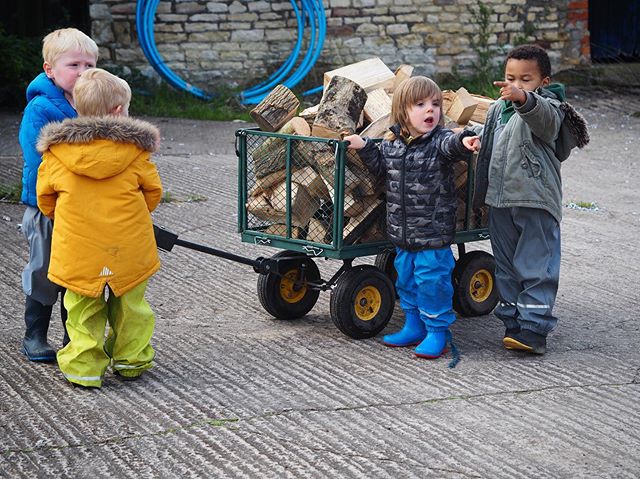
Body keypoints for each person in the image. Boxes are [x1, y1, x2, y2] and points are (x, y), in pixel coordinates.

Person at [36, 68, 163, 388]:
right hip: (128, 248)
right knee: (131, 307)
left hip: (77, 249)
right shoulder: (136, 152)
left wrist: (66, 217)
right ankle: (131, 360)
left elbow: (45, 199)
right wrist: (132, 216)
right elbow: (153, 193)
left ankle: (84, 368)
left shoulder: (57, 152)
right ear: (119, 111)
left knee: (82, 309)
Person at [344, 76, 479, 359]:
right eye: (420, 104)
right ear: (403, 111)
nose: (430, 110)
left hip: (432, 235)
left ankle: (437, 331)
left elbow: (452, 143)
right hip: (402, 234)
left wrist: (465, 141)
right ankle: (414, 324)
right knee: (405, 280)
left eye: (435, 104)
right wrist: (364, 145)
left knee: (433, 283)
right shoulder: (393, 144)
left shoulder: (439, 141)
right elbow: (381, 168)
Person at [468, 44, 589, 355]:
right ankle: (512, 322)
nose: (516, 85)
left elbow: (543, 119)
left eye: (526, 79)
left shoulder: (550, 107)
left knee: (536, 266)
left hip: (535, 200)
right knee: (506, 268)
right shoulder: (497, 109)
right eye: (511, 78)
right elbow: (490, 148)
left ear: (543, 82)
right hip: (500, 201)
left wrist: (524, 99)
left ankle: (534, 328)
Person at [18, 28, 98, 361]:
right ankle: (34, 334)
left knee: (76, 271)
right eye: (73, 65)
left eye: (89, 64)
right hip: (46, 206)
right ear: (50, 69)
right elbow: (39, 158)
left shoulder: (93, 102)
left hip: (82, 207)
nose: (82, 72)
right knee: (44, 268)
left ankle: (72, 334)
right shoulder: (41, 109)